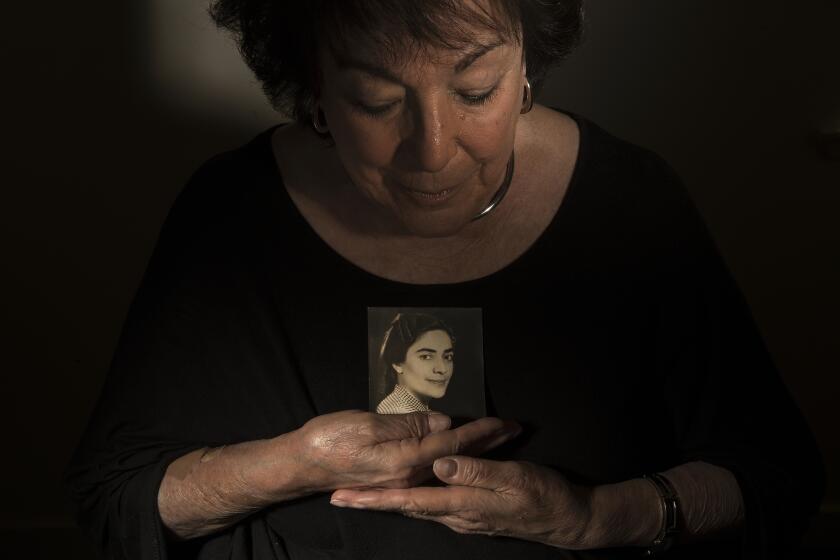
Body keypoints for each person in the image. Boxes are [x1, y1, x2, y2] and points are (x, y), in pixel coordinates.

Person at [65, 1, 825, 559]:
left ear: (526, 61)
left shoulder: (634, 198)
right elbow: (117, 501)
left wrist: (595, 516)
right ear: (314, 89)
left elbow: (773, 479)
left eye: (475, 90)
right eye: (375, 100)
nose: (431, 152)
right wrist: (291, 465)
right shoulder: (227, 212)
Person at [375, 312, 456, 414]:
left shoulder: (416, 411)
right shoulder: (397, 413)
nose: (442, 369)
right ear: (397, 363)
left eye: (447, 357)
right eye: (426, 357)